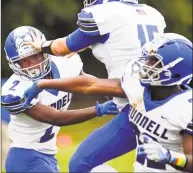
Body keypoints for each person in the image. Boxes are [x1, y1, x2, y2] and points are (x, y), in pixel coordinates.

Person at [23, 0, 167, 172]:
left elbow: (61, 49)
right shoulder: (152, 14)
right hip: (161, 101)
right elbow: (123, 41)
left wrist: (42, 45)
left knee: (80, 164)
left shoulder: (104, 14)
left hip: (134, 107)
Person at [22, 32, 193, 172]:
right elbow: (90, 85)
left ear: (175, 71)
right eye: (148, 58)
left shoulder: (185, 108)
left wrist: (170, 156)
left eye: (154, 61)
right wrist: (43, 83)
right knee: (83, 165)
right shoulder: (138, 87)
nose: (146, 64)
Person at [1, 26, 119, 173]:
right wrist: (98, 110)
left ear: (44, 52)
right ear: (14, 64)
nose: (33, 65)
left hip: (49, 154)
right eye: (24, 61)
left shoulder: (64, 62)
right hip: (24, 157)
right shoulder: (14, 91)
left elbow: (89, 83)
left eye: (35, 56)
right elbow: (55, 117)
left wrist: (114, 95)